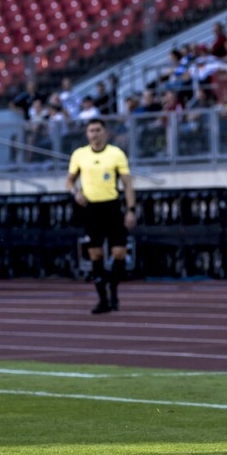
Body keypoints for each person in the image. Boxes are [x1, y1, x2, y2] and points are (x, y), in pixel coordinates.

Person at [65, 119, 137, 314]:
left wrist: (131, 209)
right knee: (96, 254)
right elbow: (69, 181)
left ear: (105, 132)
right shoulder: (80, 155)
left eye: (98, 130)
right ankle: (102, 299)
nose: (94, 134)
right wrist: (76, 193)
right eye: (91, 130)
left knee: (119, 252)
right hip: (91, 209)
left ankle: (113, 287)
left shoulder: (116, 154)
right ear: (87, 134)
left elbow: (127, 184)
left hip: (111, 207)